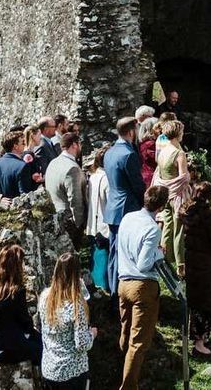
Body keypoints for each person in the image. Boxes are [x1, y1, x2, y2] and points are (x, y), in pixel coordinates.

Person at [117, 185, 168, 390]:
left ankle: (121, 367)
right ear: (162, 206)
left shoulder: (128, 218)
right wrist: (160, 252)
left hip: (123, 282)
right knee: (138, 342)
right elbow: (144, 263)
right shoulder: (152, 229)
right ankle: (128, 386)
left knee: (125, 332)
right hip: (142, 286)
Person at [180, 175, 211, 356]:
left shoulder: (186, 214)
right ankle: (200, 342)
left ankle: (200, 339)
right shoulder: (209, 217)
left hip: (193, 265)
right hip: (208, 265)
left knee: (197, 305)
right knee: (208, 305)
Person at [38, 251, 96, 390]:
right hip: (72, 371)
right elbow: (82, 344)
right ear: (77, 275)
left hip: (49, 368)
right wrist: (92, 334)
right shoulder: (76, 305)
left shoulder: (45, 296)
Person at [0, 244, 41, 367]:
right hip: (1, 348)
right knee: (41, 349)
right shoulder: (16, 291)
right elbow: (24, 320)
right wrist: (29, 334)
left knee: (38, 338)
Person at [102, 117, 146, 294]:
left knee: (114, 253)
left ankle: (114, 292)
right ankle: (121, 295)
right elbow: (137, 185)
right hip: (127, 209)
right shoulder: (129, 154)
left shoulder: (110, 152)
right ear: (131, 132)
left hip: (113, 207)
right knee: (125, 255)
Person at [154, 120, 192, 272]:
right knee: (179, 230)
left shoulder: (163, 150)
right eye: (182, 131)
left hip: (165, 194)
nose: (183, 134)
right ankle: (180, 265)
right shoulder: (179, 153)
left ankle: (163, 258)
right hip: (178, 196)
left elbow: (159, 173)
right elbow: (184, 178)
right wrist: (192, 173)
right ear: (177, 133)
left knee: (167, 227)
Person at [46, 131, 88, 250]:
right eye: (79, 144)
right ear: (74, 144)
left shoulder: (53, 163)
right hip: (69, 222)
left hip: (55, 217)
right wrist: (80, 226)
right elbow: (75, 199)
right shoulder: (72, 168)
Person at [84, 146, 111, 293]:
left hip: (93, 225)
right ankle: (104, 289)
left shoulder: (93, 177)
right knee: (103, 260)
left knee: (96, 258)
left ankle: (96, 288)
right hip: (104, 225)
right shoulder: (107, 179)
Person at [0, 130, 33, 200]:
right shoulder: (22, 166)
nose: (25, 145)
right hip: (15, 209)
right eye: (23, 143)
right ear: (16, 146)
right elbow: (25, 197)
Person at [136, 110, 159, 190]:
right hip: (151, 176)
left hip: (146, 174)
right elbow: (157, 159)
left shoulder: (144, 142)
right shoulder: (150, 144)